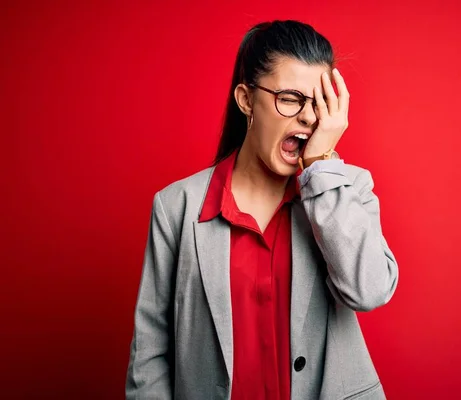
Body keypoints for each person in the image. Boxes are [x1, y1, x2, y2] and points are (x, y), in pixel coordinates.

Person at [125, 20, 399, 400]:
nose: (308, 117)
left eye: (319, 103)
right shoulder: (176, 207)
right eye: (290, 98)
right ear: (246, 99)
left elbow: (368, 291)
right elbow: (149, 354)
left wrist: (320, 164)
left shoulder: (348, 191)